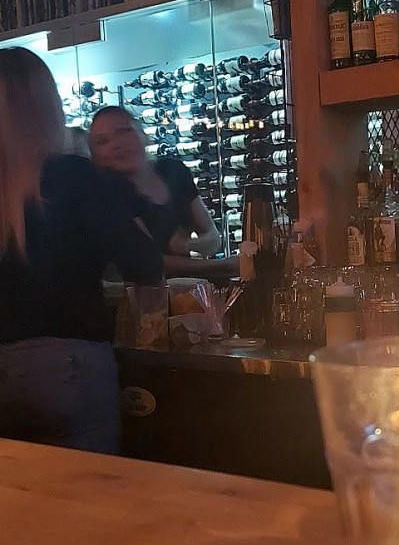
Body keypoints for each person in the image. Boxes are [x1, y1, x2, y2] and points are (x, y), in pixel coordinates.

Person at [0, 47, 163, 454]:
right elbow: (144, 263)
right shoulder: (72, 174)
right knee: (90, 490)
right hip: (65, 366)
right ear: (47, 106)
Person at [88, 107, 229, 276]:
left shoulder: (173, 170)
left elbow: (213, 239)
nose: (117, 144)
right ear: (95, 156)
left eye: (124, 131)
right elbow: (151, 262)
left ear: (144, 135)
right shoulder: (108, 194)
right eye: (103, 141)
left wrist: (189, 245)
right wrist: (223, 265)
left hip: (188, 288)